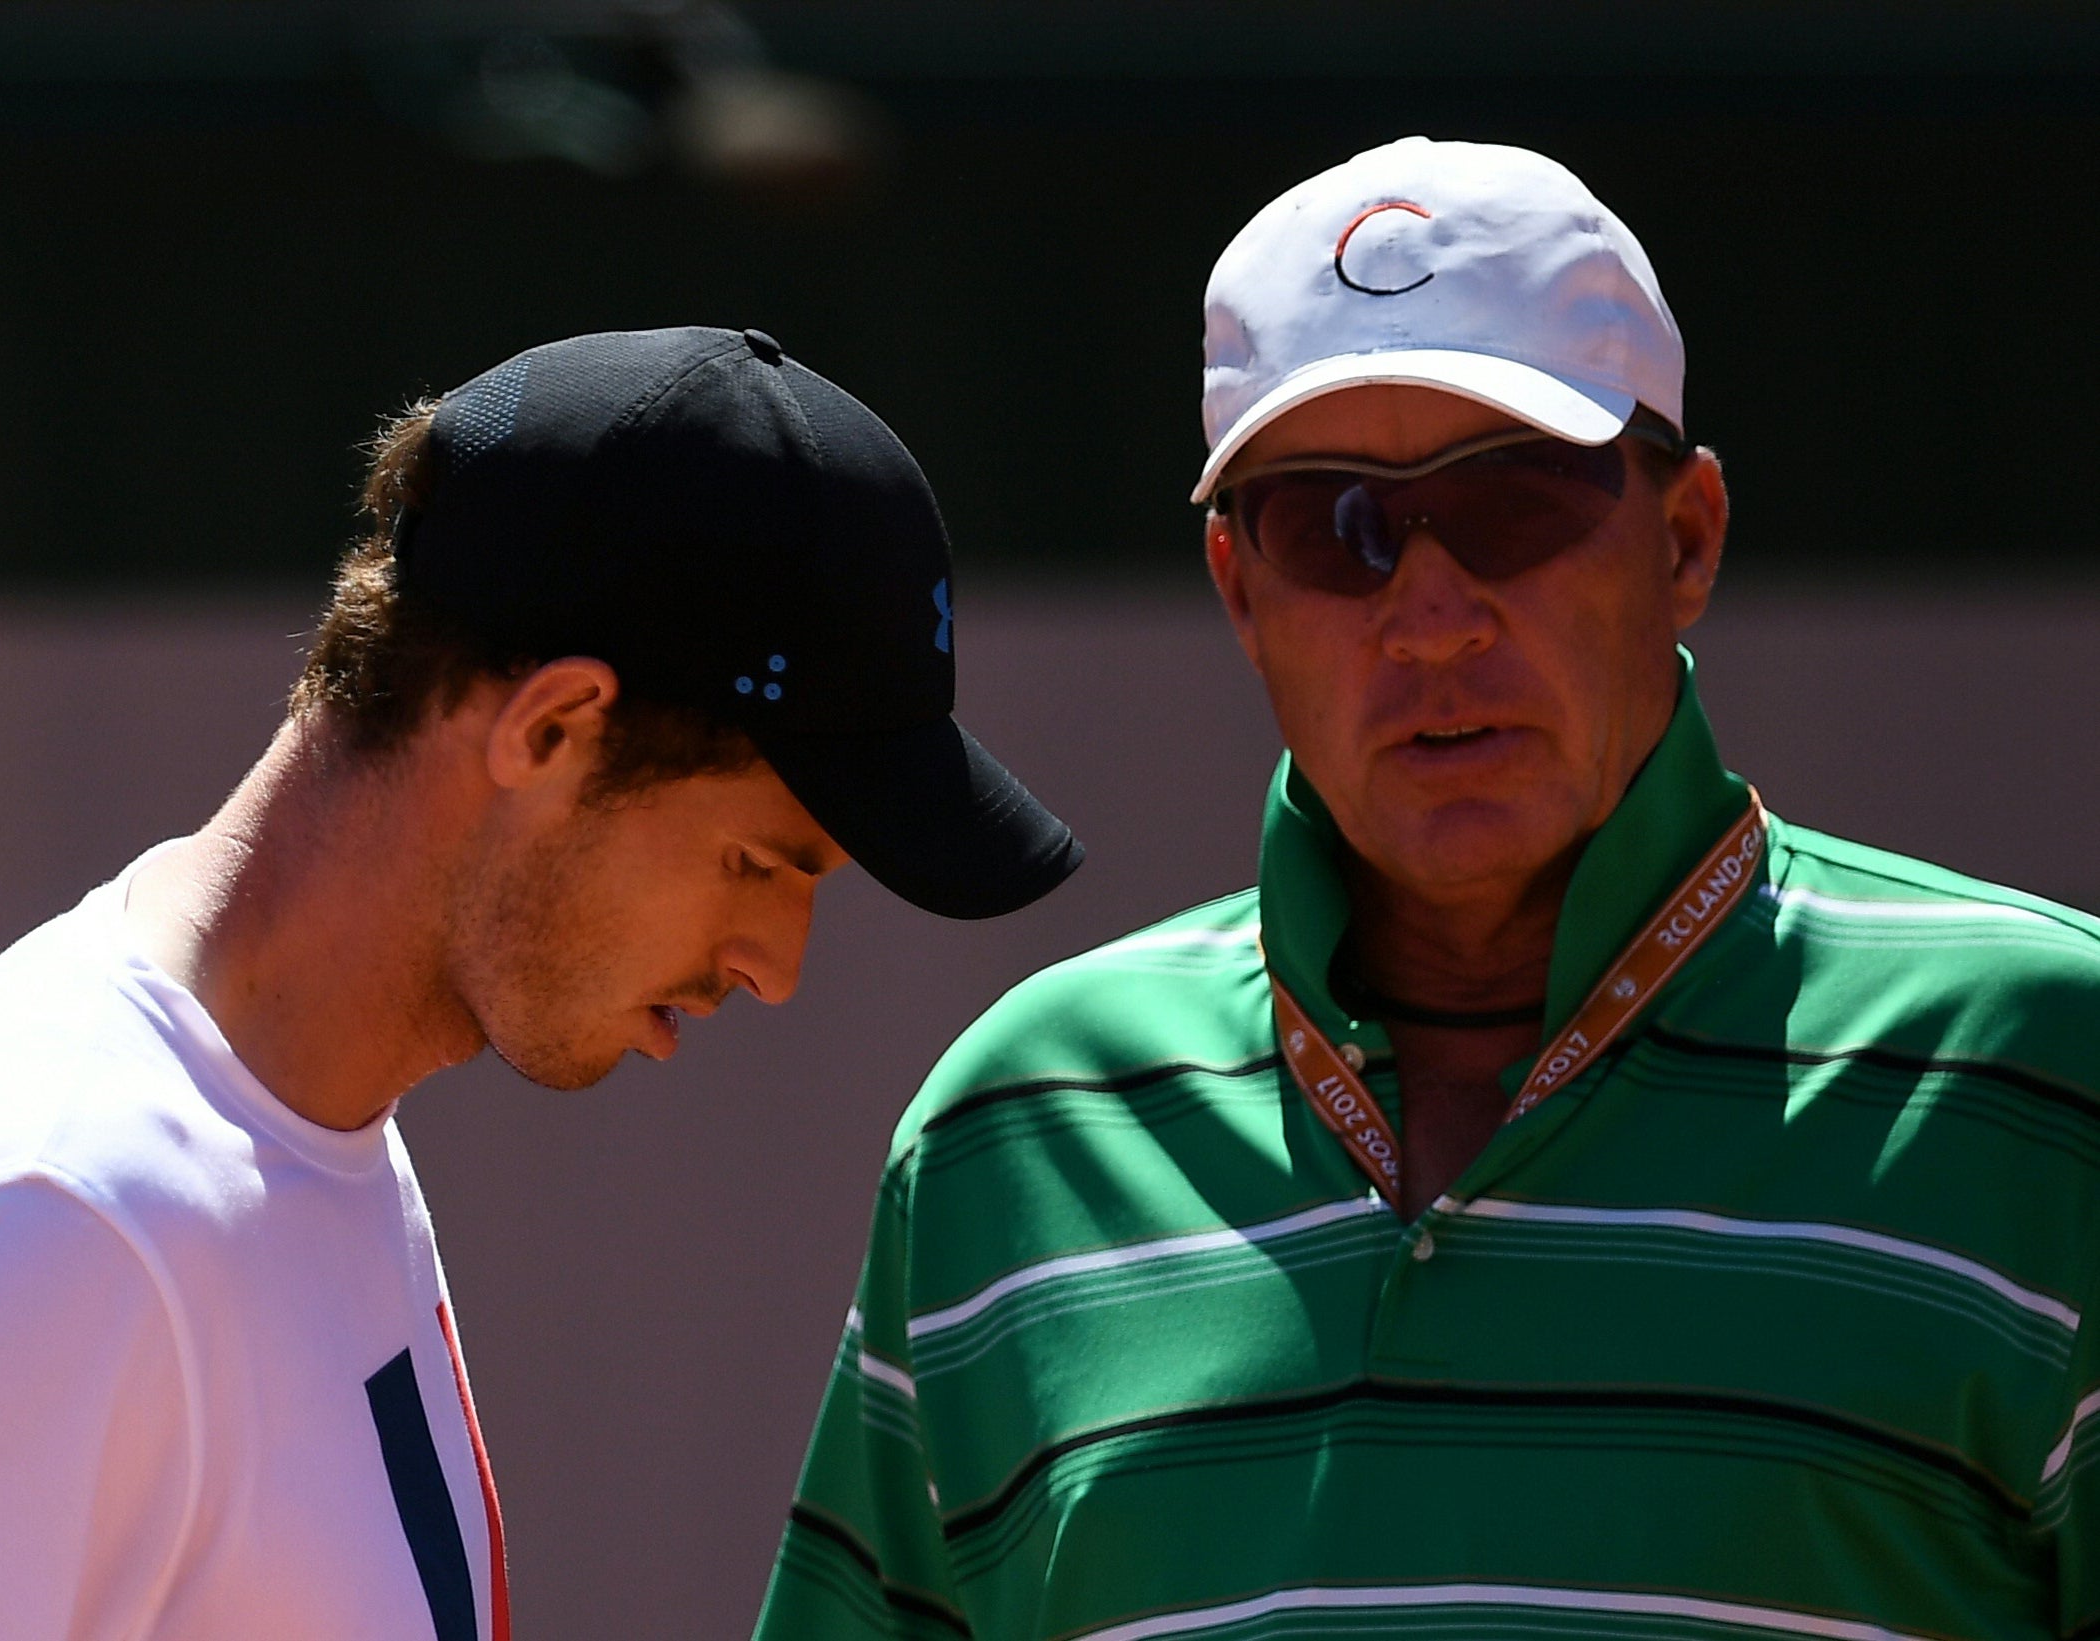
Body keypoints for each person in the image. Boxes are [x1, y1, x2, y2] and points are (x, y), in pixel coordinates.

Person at [754, 137, 2100, 1641]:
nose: (1430, 612)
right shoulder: (1009, 1131)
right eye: (1338, 525)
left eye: (1515, 500)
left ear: (1685, 538)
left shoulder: (2053, 1071)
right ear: (1236, 591)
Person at [0, 326, 1079, 1639]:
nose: (776, 963)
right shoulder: (60, 1215)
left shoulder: (291, 1125)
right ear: (551, 728)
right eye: (757, 859)